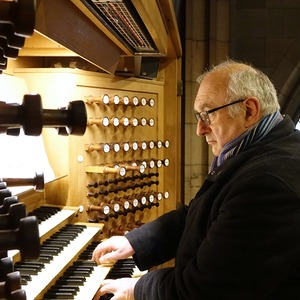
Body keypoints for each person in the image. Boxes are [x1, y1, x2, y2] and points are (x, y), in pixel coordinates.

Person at [92, 60, 300, 300]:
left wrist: (136, 289)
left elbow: (204, 290)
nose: (200, 129)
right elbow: (200, 215)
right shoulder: (259, 153)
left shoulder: (269, 183)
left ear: (249, 111)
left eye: (207, 115)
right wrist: (136, 242)